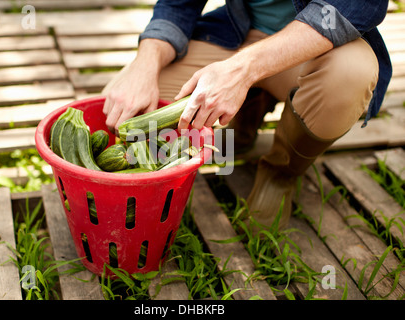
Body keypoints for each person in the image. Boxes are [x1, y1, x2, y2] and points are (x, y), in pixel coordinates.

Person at [101, 0, 392, 234]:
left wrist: (242, 71)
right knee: (126, 103)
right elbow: (178, 5)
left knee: (349, 76)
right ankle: (247, 112)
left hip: (316, 46)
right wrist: (145, 63)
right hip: (235, 33)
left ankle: (280, 174)